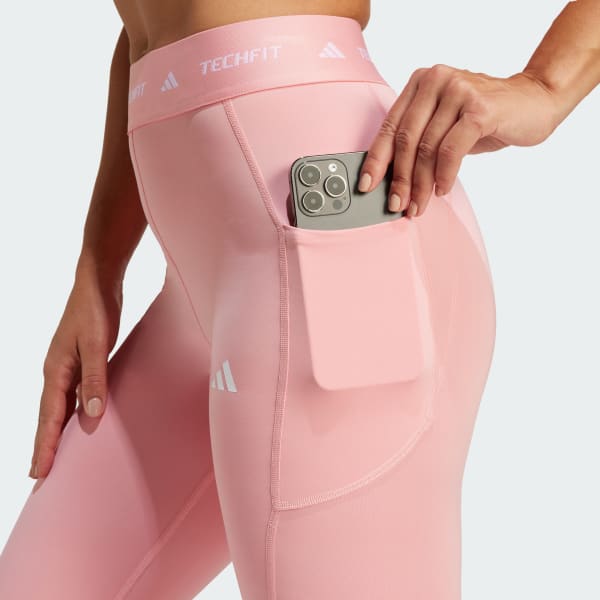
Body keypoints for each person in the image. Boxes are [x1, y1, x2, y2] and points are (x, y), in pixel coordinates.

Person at [1, 1, 599, 598]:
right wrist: (99, 267)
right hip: (200, 291)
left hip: (341, 255)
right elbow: (147, 31)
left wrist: (545, 87)